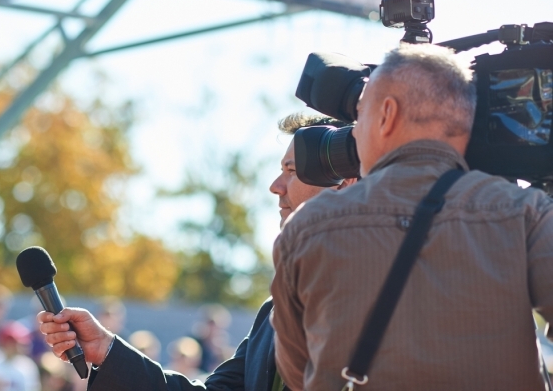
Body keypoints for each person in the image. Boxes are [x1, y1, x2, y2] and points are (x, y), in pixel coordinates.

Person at [271, 44, 553, 390]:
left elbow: (299, 374)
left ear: (387, 114)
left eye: (361, 115)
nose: (355, 132)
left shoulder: (306, 228)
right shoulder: (524, 213)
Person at [37, 113, 355, 391]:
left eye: (292, 170)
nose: (275, 185)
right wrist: (105, 348)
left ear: (343, 181)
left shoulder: (387, 297)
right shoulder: (274, 312)